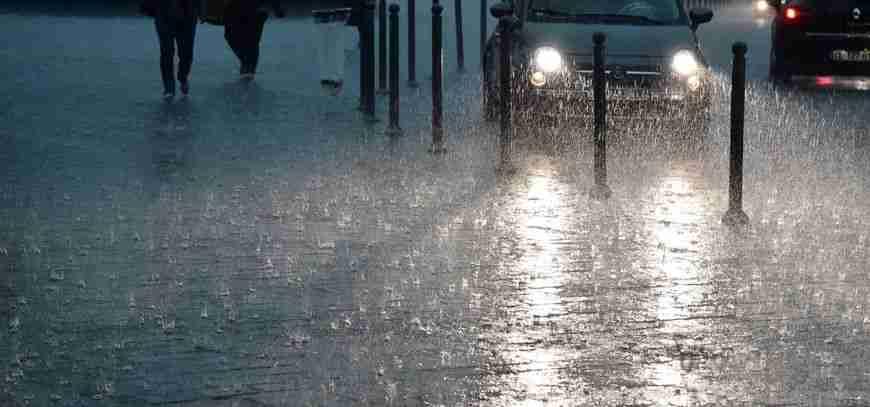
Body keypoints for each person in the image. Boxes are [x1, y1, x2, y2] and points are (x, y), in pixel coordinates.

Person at [141, 0, 203, 99]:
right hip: (164, 14)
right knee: (166, 52)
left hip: (187, 16)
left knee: (186, 53)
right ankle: (169, 88)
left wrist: (201, 10)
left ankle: (182, 77)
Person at [223, 0, 286, 80]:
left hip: (243, 14)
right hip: (240, 14)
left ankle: (247, 71)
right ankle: (247, 70)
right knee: (249, 49)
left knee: (248, 48)